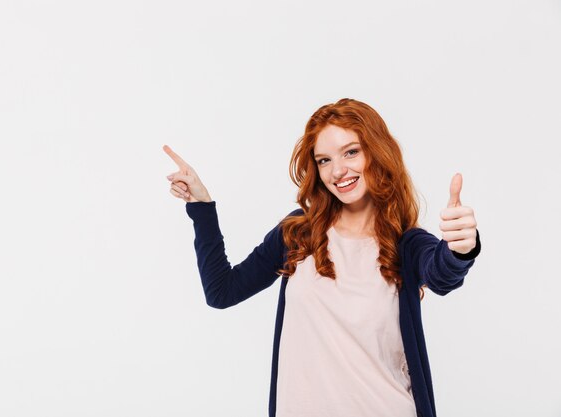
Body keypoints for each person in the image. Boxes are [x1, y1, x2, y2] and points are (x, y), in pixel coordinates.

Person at [163, 98, 481, 417]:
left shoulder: (407, 245)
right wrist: (202, 207)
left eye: (351, 152)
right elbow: (222, 291)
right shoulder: (299, 233)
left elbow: (442, 275)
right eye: (324, 160)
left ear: (377, 152)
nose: (338, 170)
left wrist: (459, 248)